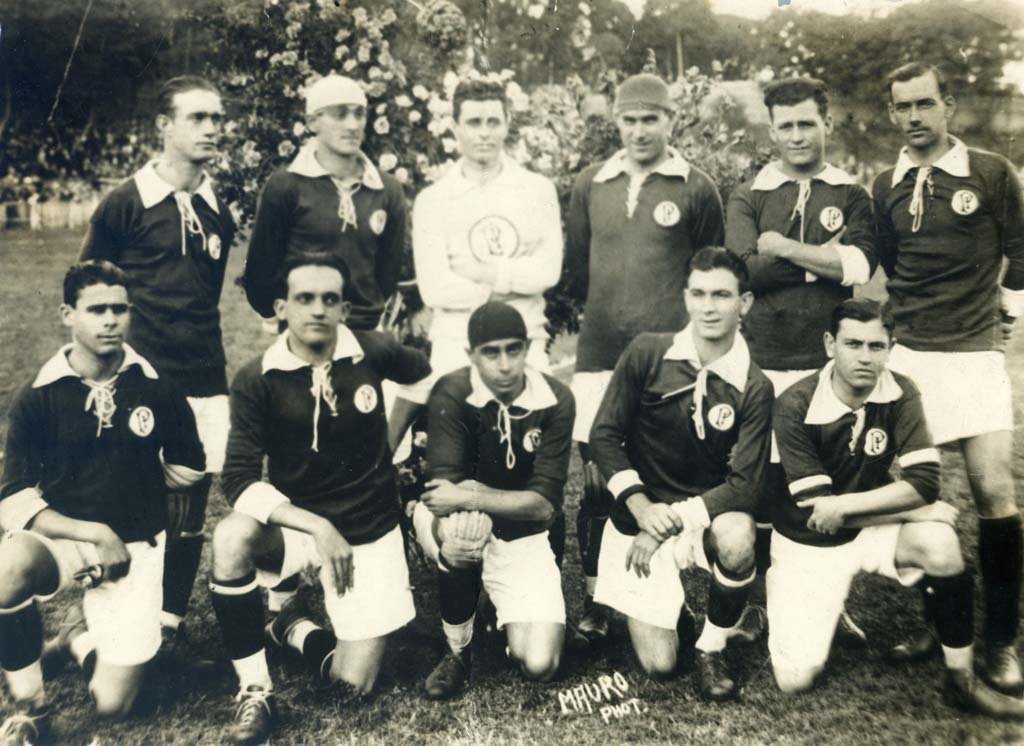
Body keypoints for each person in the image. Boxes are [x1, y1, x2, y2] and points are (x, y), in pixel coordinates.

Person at [209, 254, 430, 745]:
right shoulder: (257, 377)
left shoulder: (374, 350)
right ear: (281, 307)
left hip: (368, 527)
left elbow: (422, 377)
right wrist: (314, 527)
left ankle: (293, 628)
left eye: (330, 299)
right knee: (230, 537)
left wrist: (389, 445)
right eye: (305, 299)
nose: (317, 310)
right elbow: (239, 480)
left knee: (353, 686)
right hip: (302, 527)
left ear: (345, 309)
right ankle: (255, 688)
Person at [768, 298, 1024, 717]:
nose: (865, 357)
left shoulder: (901, 390)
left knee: (938, 542)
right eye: (853, 344)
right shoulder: (795, 402)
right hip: (808, 543)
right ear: (830, 344)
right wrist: (911, 510)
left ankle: (961, 681)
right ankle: (824, 608)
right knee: (795, 680)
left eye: (876, 346)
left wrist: (892, 507)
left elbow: (924, 483)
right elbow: (818, 512)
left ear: (891, 347)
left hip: (867, 530)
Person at [0, 261, 206, 744]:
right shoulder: (40, 395)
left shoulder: (155, 385)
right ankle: (31, 709)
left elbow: (190, 467)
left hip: (136, 545)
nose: (110, 319)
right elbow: (11, 499)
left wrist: (146, 497)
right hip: (69, 539)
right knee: (6, 567)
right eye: (97, 310)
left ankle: (79, 639)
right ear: (67, 314)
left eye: (119, 309)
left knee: (114, 706)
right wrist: (94, 531)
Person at [872, 62, 1024, 691]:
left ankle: (1004, 643)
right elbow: (889, 262)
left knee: (993, 492)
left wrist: (1009, 309)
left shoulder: (990, 171)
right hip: (910, 358)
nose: (914, 118)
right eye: (902, 106)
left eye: (925, 104)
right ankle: (939, 624)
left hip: (974, 357)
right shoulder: (886, 184)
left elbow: (1022, 244)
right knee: (922, 494)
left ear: (948, 106)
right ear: (891, 114)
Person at [564, 73, 726, 642]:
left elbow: (710, 271)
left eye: (649, 119)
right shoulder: (591, 183)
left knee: (659, 470)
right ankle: (595, 602)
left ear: (669, 121)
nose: (638, 130)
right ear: (617, 122)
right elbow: (577, 269)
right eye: (629, 120)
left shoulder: (695, 186)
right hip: (601, 353)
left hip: (667, 360)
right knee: (596, 477)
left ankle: (671, 590)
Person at [79, 76, 235, 657]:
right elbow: (89, 288)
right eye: (197, 118)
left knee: (192, 498)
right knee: (133, 498)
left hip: (204, 374)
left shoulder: (218, 208)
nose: (212, 129)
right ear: (163, 127)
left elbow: (205, 295)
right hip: (141, 377)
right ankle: (108, 623)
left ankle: (170, 622)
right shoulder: (125, 202)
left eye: (216, 118)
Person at [725, 76, 876, 644]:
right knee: (764, 483)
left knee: (821, 478)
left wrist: (783, 248)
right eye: (785, 125)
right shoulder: (749, 194)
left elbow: (862, 267)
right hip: (764, 360)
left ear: (827, 125)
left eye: (806, 122)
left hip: (826, 367)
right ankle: (759, 604)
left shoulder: (851, 195)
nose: (795, 134)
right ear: (771, 129)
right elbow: (746, 271)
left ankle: (824, 601)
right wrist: (827, 262)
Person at [589, 247, 773, 700]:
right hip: (641, 518)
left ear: (744, 304)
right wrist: (642, 506)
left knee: (738, 535)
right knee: (659, 665)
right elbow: (603, 436)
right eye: (699, 293)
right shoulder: (648, 352)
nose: (709, 306)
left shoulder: (755, 385)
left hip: (704, 518)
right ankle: (679, 615)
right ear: (686, 297)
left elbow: (745, 486)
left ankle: (712, 647)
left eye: (722, 295)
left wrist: (672, 519)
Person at [386, 77, 562, 462]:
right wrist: (510, 280)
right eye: (474, 122)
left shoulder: (536, 190)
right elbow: (435, 289)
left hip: (524, 339)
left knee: (530, 451)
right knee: (457, 451)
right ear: (455, 127)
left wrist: (481, 273)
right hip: (456, 342)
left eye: (493, 122)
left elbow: (548, 272)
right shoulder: (434, 200)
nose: (484, 134)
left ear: (507, 123)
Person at [409, 302, 573, 699]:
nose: (504, 365)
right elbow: (441, 495)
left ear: (527, 348)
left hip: (521, 533)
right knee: (465, 532)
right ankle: (457, 651)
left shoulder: (556, 398)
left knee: (540, 664)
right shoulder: (452, 389)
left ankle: (490, 606)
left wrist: (473, 493)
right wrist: (470, 502)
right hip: (453, 523)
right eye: (491, 352)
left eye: (513, 350)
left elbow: (544, 506)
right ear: (471, 355)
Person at [243, 74, 407, 332]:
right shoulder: (286, 186)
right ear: (312, 122)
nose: (352, 125)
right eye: (340, 114)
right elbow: (260, 272)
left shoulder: (387, 189)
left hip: (364, 334)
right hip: (304, 333)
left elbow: (388, 271)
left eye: (359, 114)